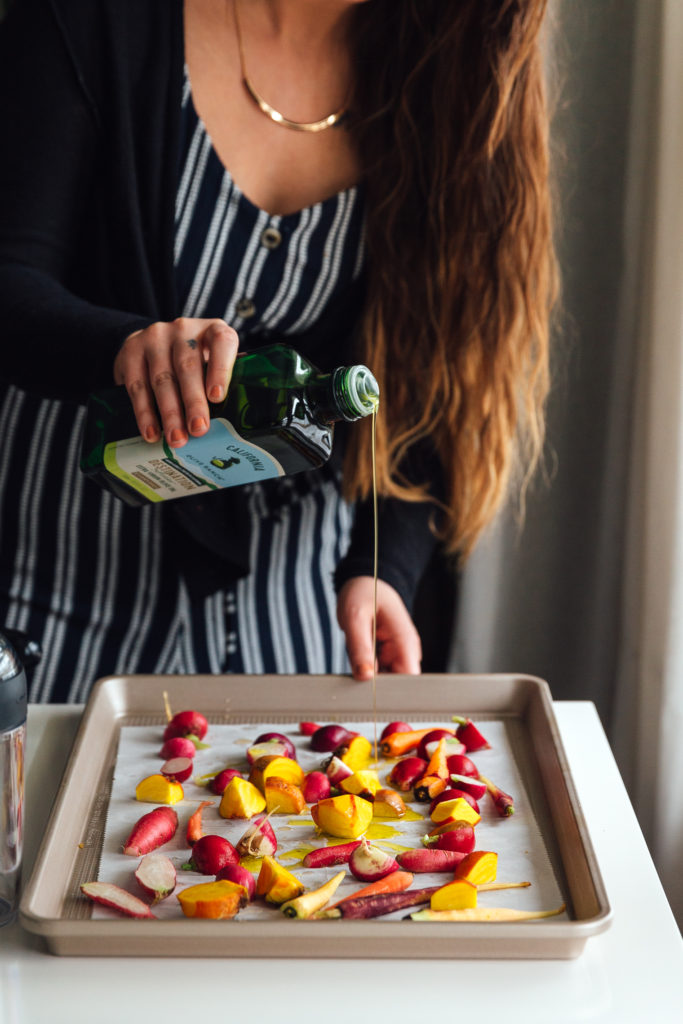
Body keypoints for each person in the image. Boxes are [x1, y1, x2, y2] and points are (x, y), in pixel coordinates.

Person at [0, 0, 556, 702]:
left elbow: (430, 388)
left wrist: (382, 570)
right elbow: (12, 280)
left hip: (292, 624)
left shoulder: (455, 66)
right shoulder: (90, 19)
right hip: (46, 591)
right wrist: (123, 347)